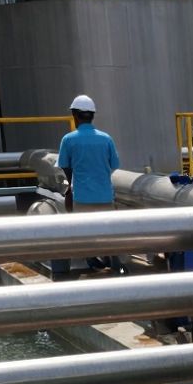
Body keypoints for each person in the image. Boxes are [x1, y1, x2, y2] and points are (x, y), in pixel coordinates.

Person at [56, 94, 123, 276]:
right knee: (109, 232)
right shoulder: (106, 139)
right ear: (92, 115)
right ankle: (116, 264)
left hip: (82, 197)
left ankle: (91, 260)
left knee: (84, 233)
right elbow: (114, 165)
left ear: (75, 116)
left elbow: (64, 169)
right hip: (104, 195)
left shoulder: (68, 140)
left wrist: (68, 189)